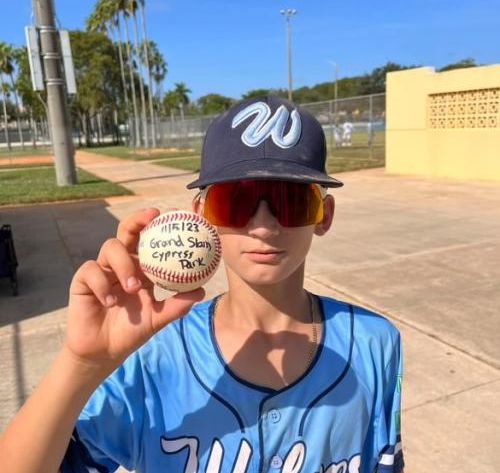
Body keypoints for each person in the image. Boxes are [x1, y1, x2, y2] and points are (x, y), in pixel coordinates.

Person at [0, 96, 404, 473]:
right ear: (201, 213)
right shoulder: (150, 354)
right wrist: (82, 362)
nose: (264, 227)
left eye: (291, 201)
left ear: (324, 215)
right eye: (236, 202)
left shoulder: (375, 344)